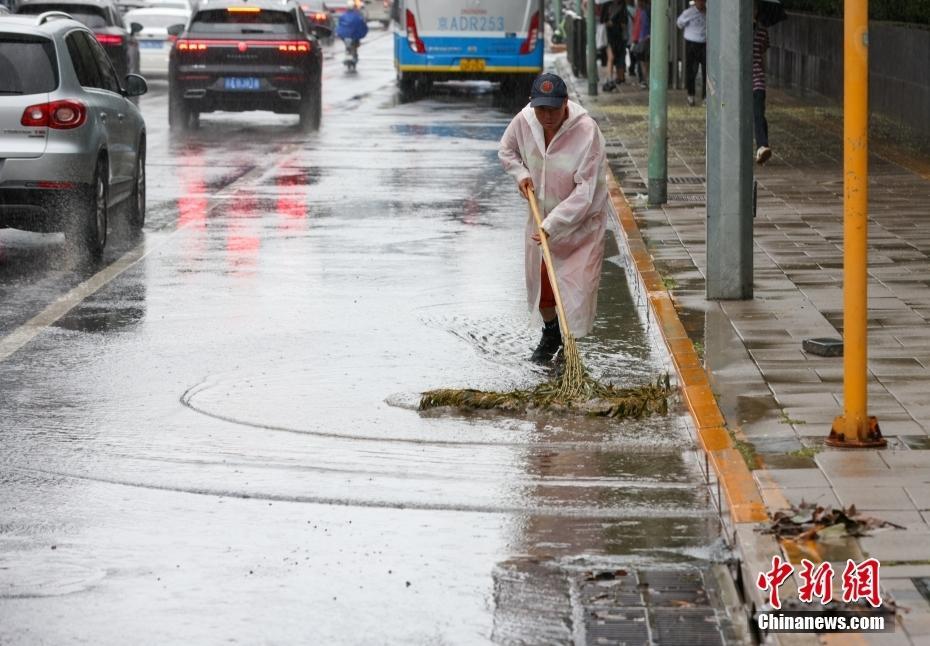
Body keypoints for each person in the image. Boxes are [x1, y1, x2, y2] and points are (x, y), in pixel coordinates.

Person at [498, 73, 609, 364]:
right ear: (533, 105)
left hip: (581, 225)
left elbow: (587, 192)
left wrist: (553, 225)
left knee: (576, 289)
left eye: (553, 109)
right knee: (543, 284)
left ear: (565, 104)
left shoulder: (587, 132)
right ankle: (551, 334)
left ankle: (570, 346)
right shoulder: (524, 121)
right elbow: (506, 150)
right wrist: (521, 175)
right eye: (541, 109)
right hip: (540, 217)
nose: (546, 116)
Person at [676, 0, 706, 107]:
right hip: (692, 43)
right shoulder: (689, 12)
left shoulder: (708, 12)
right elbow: (679, 23)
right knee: (691, 71)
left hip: (704, 43)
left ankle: (705, 97)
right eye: (700, 1)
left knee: (706, 71)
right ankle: (691, 96)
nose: (702, 3)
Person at [753, 2, 771, 164]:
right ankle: (763, 145)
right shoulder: (762, 30)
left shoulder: (736, 32)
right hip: (757, 80)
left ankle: (762, 146)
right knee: (759, 115)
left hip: (754, 82)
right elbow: (763, 51)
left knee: (757, 115)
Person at [602, 0, 627, 91]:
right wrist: (608, 22)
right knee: (611, 57)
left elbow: (624, 22)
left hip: (618, 37)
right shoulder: (606, 5)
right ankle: (609, 78)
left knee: (616, 58)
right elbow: (602, 20)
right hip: (608, 37)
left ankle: (614, 78)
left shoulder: (622, 6)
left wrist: (617, 24)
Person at [336, 0, 368, 66]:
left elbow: (339, 26)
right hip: (352, 36)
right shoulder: (357, 16)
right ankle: (351, 54)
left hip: (348, 36)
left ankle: (351, 54)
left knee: (352, 44)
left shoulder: (344, 16)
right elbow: (363, 25)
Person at [630, 0, 650, 89]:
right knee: (643, 60)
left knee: (643, 61)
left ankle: (644, 80)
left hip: (643, 38)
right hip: (642, 38)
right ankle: (644, 79)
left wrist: (635, 39)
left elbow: (638, 26)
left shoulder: (643, 11)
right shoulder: (641, 10)